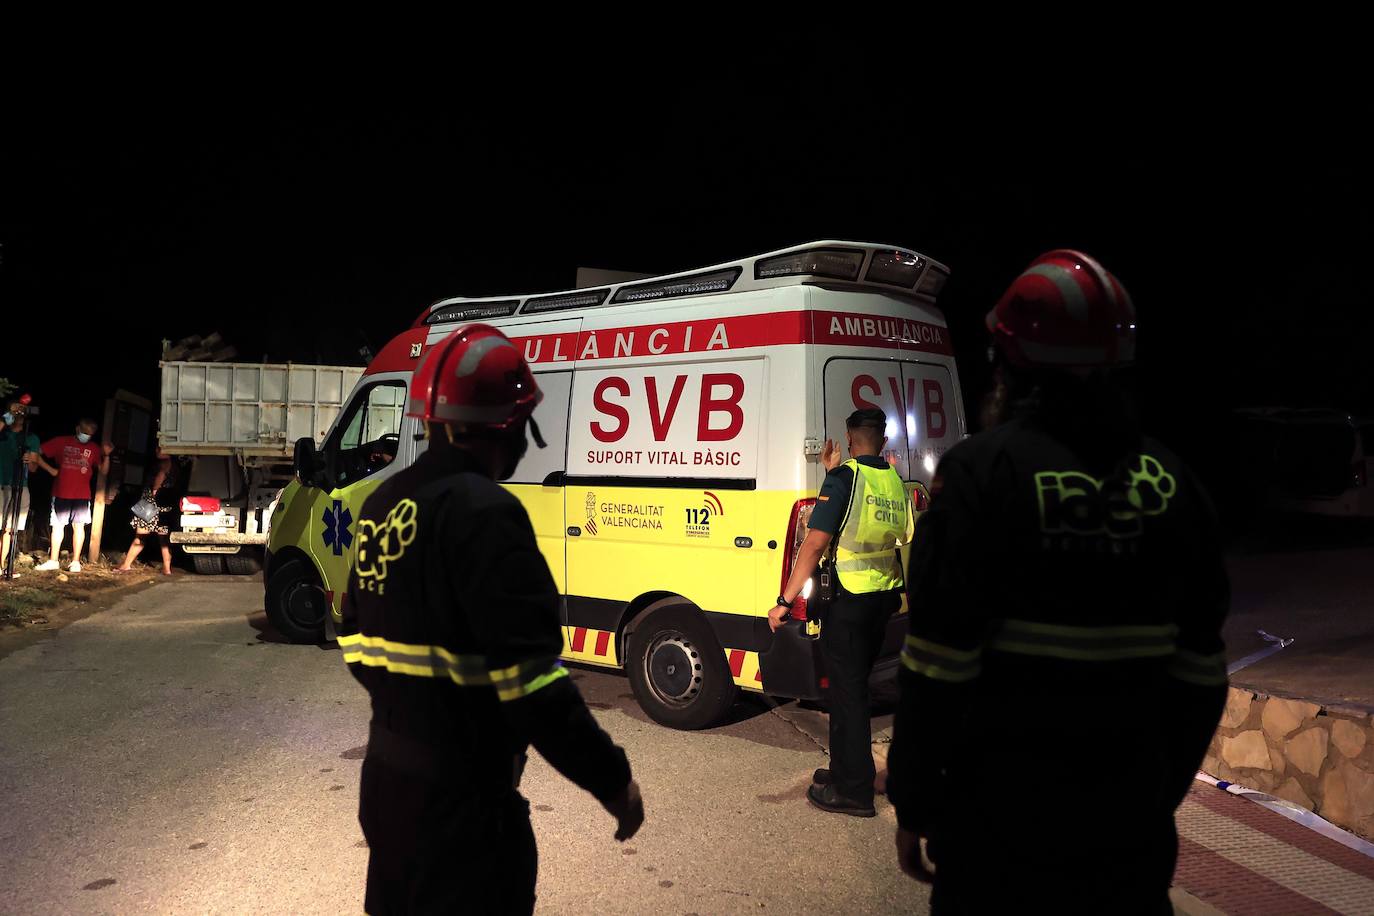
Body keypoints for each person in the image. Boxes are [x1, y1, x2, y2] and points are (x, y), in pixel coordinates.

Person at [885, 251, 1229, 914]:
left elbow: (935, 668)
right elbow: (1201, 678)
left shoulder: (981, 474)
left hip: (998, 833)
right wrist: (1155, 796)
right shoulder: (1177, 486)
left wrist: (916, 801)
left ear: (1010, 363)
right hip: (1128, 839)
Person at [338, 323, 644, 915]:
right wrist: (612, 781)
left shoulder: (382, 503)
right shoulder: (485, 513)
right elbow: (533, 685)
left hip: (387, 790)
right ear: (502, 426)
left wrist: (412, 701)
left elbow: (353, 634)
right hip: (465, 810)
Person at [769, 407, 914, 818]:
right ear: (883, 440)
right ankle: (844, 770)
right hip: (882, 598)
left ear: (850, 439)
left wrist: (784, 600)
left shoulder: (845, 478)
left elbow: (814, 545)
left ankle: (853, 791)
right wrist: (835, 472)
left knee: (847, 695)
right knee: (852, 689)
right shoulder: (891, 479)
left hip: (848, 602)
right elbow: (900, 534)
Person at [36, 417, 111, 573]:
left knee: (79, 527)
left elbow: (103, 470)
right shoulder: (61, 441)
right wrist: (50, 470)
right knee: (57, 527)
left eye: (90, 434)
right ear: (77, 429)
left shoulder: (94, 448)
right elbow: (36, 451)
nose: (87, 436)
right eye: (84, 432)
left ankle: (75, 562)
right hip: (61, 491)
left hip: (82, 495)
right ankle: (53, 560)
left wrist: (107, 455)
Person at [1, 401, 49, 576]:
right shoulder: (3, 432)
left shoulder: (31, 437)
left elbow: (35, 468)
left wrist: (30, 460)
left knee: (9, 529)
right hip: (1, 484)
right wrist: (5, 419)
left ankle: (1, 566)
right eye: (14, 410)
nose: (18, 413)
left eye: (21, 411)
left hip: (20, 485)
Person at [116, 448, 176, 575]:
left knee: (140, 537)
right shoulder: (173, 466)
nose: (157, 451)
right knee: (163, 539)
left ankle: (126, 564)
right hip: (163, 506)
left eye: (161, 449)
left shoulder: (162, 467)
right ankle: (167, 568)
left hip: (150, 505)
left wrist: (152, 493)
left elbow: (156, 485)